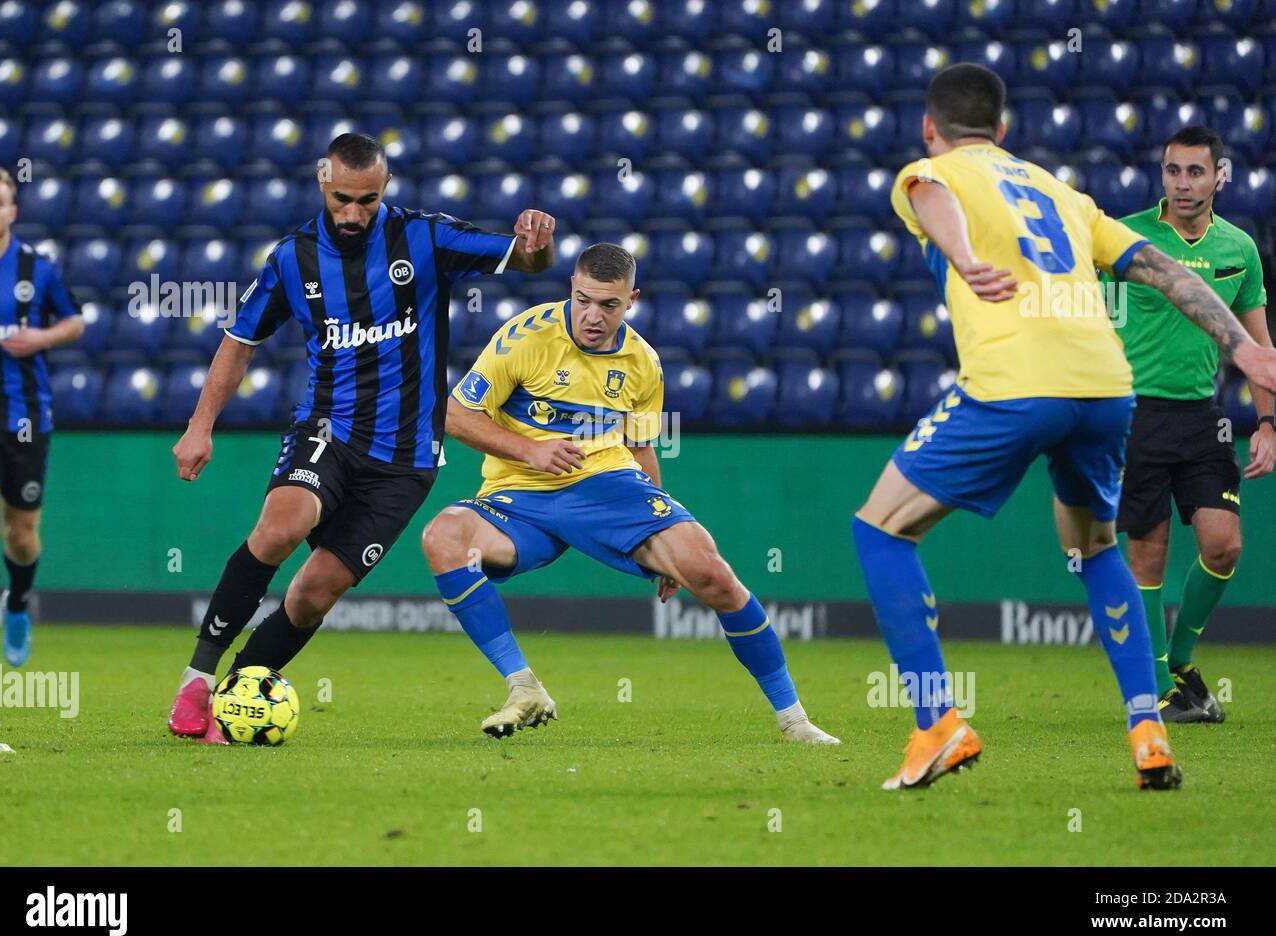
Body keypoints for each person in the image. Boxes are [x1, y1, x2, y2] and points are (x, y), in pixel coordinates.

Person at [850, 64, 1276, 791]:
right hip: (1108, 390)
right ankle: (1148, 730)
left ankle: (937, 724)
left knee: (880, 530)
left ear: (931, 128)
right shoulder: (1060, 192)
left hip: (1016, 384)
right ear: (1005, 130)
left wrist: (962, 255)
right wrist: (1243, 346)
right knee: (1096, 546)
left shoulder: (933, 169)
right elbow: (1163, 270)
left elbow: (933, 194)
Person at [167, 133, 557, 742]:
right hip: (330, 428)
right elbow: (240, 341)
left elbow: (525, 259)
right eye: (343, 199)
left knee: (313, 593)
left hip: (405, 462)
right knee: (280, 528)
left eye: (368, 200)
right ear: (323, 182)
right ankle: (195, 679)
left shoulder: (424, 238)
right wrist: (200, 425)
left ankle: (235, 694)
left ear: (386, 187)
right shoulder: (292, 258)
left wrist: (537, 243)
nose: (353, 213)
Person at [420, 243, 838, 744]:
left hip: (607, 486)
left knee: (713, 574)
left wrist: (662, 532)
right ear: (570, 290)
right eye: (583, 300)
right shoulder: (525, 337)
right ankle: (523, 686)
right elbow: (453, 414)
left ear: (631, 300)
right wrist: (528, 451)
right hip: (519, 496)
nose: (592, 316)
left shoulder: (643, 363)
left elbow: (642, 450)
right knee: (443, 538)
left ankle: (794, 720)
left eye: (608, 305)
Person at [1110, 126, 1271, 723]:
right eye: (1173, 171)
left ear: (1219, 177)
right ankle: (1154, 694)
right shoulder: (1126, 238)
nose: (1183, 184)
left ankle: (1180, 660)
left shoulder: (1240, 249)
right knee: (1147, 555)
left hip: (1205, 417)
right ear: (1163, 174)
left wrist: (1269, 421)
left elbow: (1259, 343)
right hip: (1135, 414)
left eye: (1195, 172)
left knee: (1223, 545)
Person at [0, 165, 84, 673]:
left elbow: (75, 319)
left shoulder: (36, 268)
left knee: (21, 535)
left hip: (25, 417)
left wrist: (39, 338)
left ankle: (17, 604)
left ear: (12, 211)